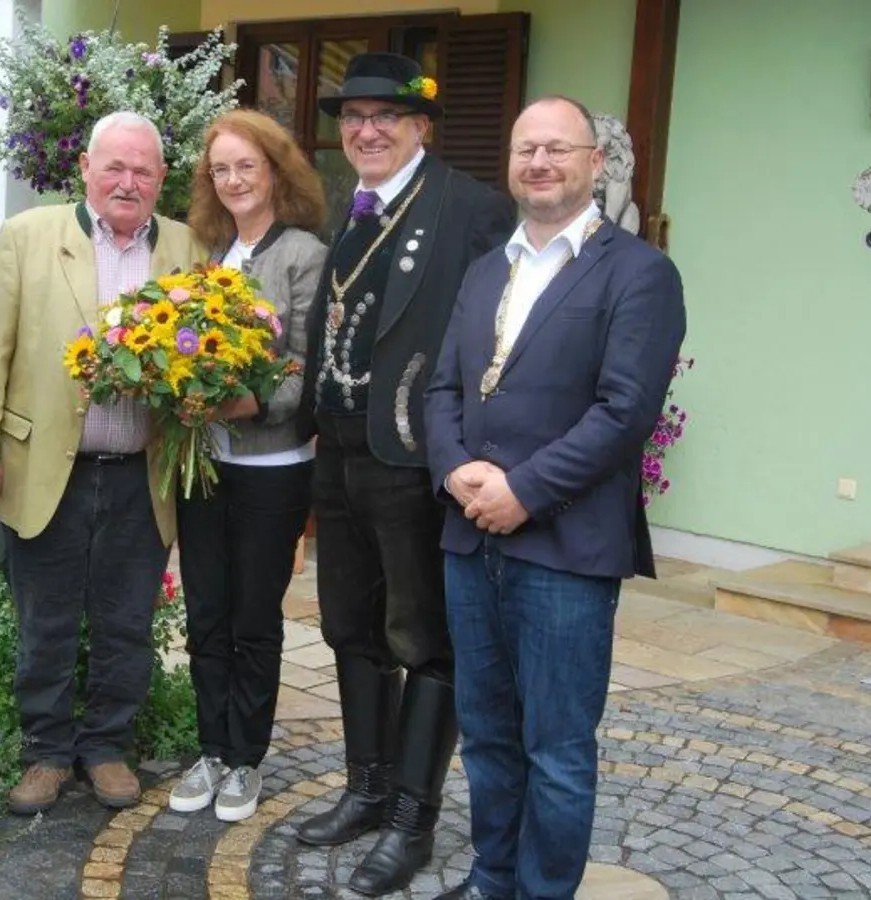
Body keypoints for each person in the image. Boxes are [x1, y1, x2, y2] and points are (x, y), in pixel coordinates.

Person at [422, 95, 687, 900]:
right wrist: (454, 466)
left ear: (594, 164)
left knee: (559, 751)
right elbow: (441, 387)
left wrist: (523, 491)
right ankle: (491, 878)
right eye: (524, 149)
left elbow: (624, 412)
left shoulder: (640, 273)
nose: (538, 163)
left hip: (566, 552)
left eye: (557, 149)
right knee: (490, 740)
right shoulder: (484, 270)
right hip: (472, 541)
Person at [292, 53, 517, 896]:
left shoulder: (471, 210)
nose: (367, 129)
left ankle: (413, 821)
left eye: (386, 115)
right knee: (350, 628)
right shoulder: (352, 216)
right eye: (353, 117)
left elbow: (501, 339)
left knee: (423, 639)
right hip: (341, 455)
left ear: (422, 125)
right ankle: (368, 789)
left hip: (416, 460)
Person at [0, 111, 208, 817]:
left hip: (141, 474)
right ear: (87, 171)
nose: (127, 182)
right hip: (44, 468)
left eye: (143, 171)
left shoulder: (188, 249)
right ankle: (45, 753)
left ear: (162, 179)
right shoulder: (28, 236)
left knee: (127, 620)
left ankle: (105, 748)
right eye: (115, 168)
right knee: (46, 620)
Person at [165, 109, 328, 823]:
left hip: (272, 465)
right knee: (205, 613)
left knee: (254, 618)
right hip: (207, 464)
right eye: (220, 168)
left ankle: (245, 760)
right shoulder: (211, 254)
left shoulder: (304, 255)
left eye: (246, 166)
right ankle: (209, 749)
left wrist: (239, 407)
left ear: (276, 171)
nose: (232, 179)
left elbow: (299, 371)